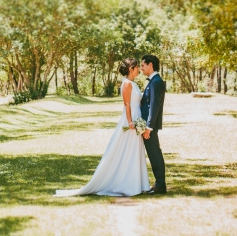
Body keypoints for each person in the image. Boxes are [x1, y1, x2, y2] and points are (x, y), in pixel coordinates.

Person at [54, 58, 150, 197]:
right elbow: (127, 104)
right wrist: (130, 122)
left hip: (137, 119)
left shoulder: (134, 84)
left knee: (134, 151)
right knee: (127, 150)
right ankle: (125, 184)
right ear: (131, 69)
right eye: (136, 67)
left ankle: (135, 183)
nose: (139, 70)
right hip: (130, 121)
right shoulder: (127, 84)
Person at [140, 54, 167, 194]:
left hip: (149, 127)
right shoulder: (153, 81)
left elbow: (154, 106)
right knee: (153, 154)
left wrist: (148, 127)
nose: (141, 68)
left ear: (150, 65)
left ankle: (160, 185)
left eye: (143, 65)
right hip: (147, 126)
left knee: (155, 154)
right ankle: (159, 184)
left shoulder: (156, 82)